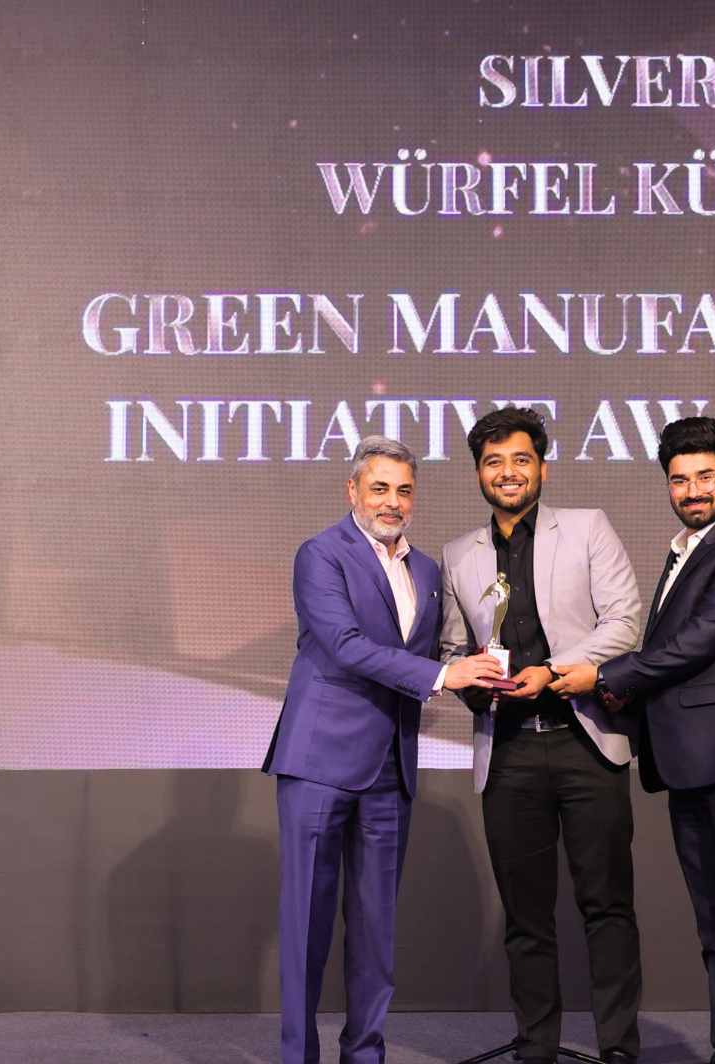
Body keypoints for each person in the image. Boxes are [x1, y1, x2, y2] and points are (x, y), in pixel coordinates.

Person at [548, 417, 715, 1064]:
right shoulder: (682, 550)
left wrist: (604, 676)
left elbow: (696, 643)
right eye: (680, 479)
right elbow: (674, 654)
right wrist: (620, 692)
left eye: (705, 476)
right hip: (689, 761)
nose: (693, 490)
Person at [262, 435, 505, 1064]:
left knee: (376, 927)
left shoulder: (426, 571)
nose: (392, 502)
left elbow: (436, 656)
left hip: (391, 768)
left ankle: (365, 1053)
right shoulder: (321, 554)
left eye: (403, 490)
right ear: (353, 490)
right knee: (307, 923)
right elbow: (344, 645)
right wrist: (445, 675)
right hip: (319, 762)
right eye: (379, 488)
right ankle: (298, 1056)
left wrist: (486, 673)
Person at [440, 406, 645, 1064]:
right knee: (526, 916)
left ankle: (619, 1050)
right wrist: (475, 683)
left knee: (607, 906)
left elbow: (624, 622)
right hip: (509, 750)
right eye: (493, 462)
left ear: (542, 468)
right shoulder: (458, 555)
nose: (508, 472)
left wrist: (553, 671)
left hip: (587, 741)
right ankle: (536, 1048)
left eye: (520, 459)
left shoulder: (587, 528)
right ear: (479, 472)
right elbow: (453, 648)